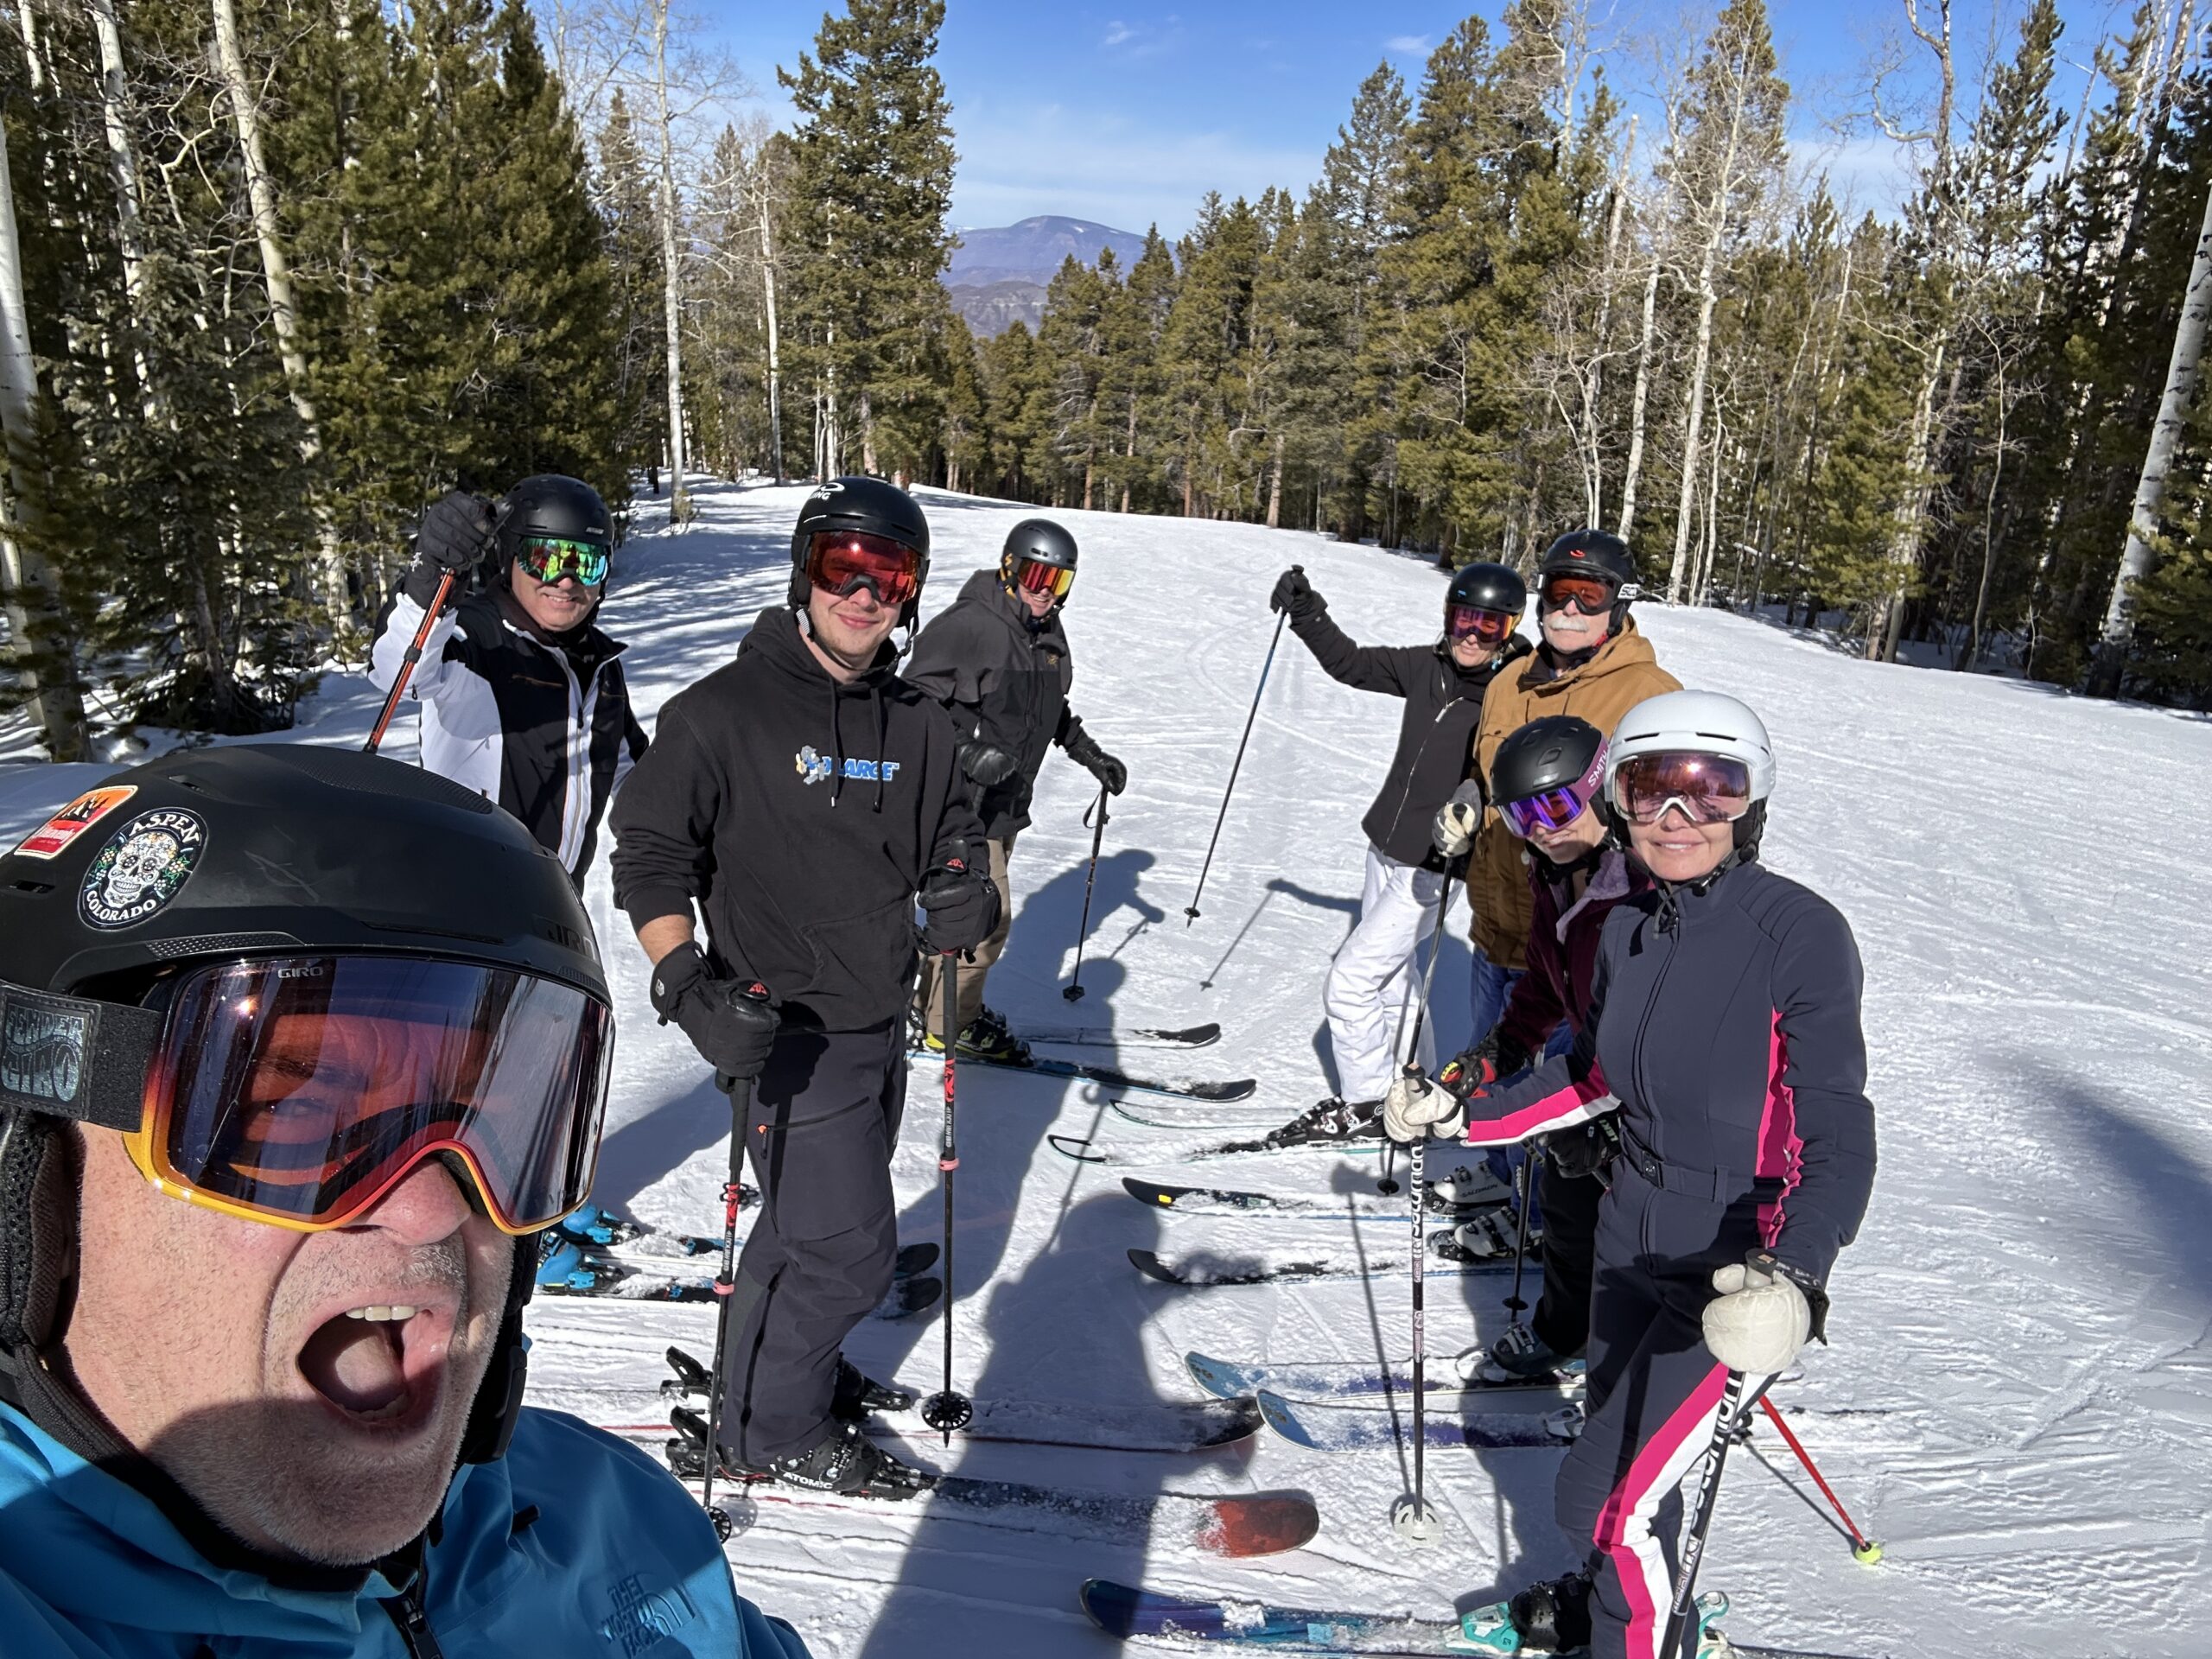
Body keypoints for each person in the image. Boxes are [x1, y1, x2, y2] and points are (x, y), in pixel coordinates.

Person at [0, 743, 805, 1656]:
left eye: (502, 1115)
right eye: (292, 1104)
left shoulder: (615, 1522)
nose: (429, 1210)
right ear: (32, 1182)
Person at [1386, 690, 1877, 1659]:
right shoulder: (1625, 929)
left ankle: (1634, 1631)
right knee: (1615, 1474)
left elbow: (1839, 1129)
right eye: (1652, 790)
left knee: (1601, 1502)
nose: (1676, 817)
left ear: (1750, 803)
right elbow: (1592, 1075)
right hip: (1630, 1229)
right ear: (1620, 801)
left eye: (1709, 791)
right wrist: (1464, 1109)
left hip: (1735, 1259)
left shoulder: (1798, 932)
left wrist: (1797, 1273)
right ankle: (1632, 1607)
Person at [609, 477, 999, 1497]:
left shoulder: (918, 724)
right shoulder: (718, 712)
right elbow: (649, 856)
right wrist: (685, 982)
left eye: (890, 574)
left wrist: (962, 892)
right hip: (777, 1033)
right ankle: (773, 1432)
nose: (863, 594)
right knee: (847, 1256)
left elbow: (952, 836)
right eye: (843, 567)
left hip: (878, 1021)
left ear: (911, 592)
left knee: (795, 1229)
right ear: (806, 568)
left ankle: (762, 1382)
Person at [1259, 560, 1531, 1144]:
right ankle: (1416, 1088)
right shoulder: (1426, 668)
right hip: (1385, 845)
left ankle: (1366, 1107)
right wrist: (1307, 611)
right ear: (1449, 617)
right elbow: (1351, 663)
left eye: (1492, 627)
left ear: (1509, 631)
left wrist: (1472, 798)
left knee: (1352, 981)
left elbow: (1509, 774)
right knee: (1396, 978)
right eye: (1465, 619)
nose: (1473, 636)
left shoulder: (1508, 699)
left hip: (1436, 865)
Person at [1436, 715, 1649, 1384]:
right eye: (1523, 813)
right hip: (1594, 1083)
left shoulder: (1645, 890)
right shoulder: (1555, 875)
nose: (1543, 826)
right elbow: (1543, 983)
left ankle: (1659, 1370)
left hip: (1654, 1101)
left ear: (1600, 790)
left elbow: (1661, 1029)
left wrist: (1615, 1122)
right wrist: (1497, 1052)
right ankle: (1564, 1333)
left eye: (1557, 804)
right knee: (1565, 1205)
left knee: (1640, 1242)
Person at [1435, 530, 1679, 1052]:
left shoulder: (1652, 696)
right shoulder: (1508, 681)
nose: (1569, 608)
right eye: (1559, 589)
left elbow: (1670, 823)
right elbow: (1485, 775)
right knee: (1484, 1096)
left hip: (1578, 955)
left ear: (1619, 603)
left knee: (1552, 1117)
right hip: (1495, 936)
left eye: (1589, 594)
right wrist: (1469, 803)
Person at [903, 518, 1125, 1062]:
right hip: (959, 804)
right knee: (985, 920)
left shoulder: (1046, 633)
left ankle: (931, 1001)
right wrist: (965, 750)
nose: (1045, 589)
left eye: (1059, 581)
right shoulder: (972, 624)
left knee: (961, 915)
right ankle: (948, 1023)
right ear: (1009, 568)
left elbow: (1048, 707)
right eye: (1034, 574)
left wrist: (1087, 751)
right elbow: (908, 702)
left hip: (1005, 804)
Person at [369, 475, 647, 886]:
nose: (566, 581)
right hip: (462, 906)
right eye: (544, 558)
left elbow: (636, 778)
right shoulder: (471, 635)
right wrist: (430, 578)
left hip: (556, 906)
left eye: (586, 562)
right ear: (509, 557)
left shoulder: (601, 668)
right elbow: (396, 672)